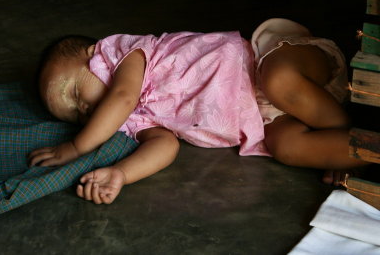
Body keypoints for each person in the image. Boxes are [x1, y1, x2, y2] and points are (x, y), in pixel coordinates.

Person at [29, 18, 369, 205]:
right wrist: (121, 173)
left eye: (75, 92)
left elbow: (121, 97)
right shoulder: (131, 121)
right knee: (286, 148)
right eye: (76, 116)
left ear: (93, 52)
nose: (84, 108)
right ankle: (361, 149)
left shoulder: (120, 55)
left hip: (270, 62)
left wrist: (75, 146)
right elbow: (164, 145)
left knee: (280, 81)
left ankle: (346, 125)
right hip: (265, 116)